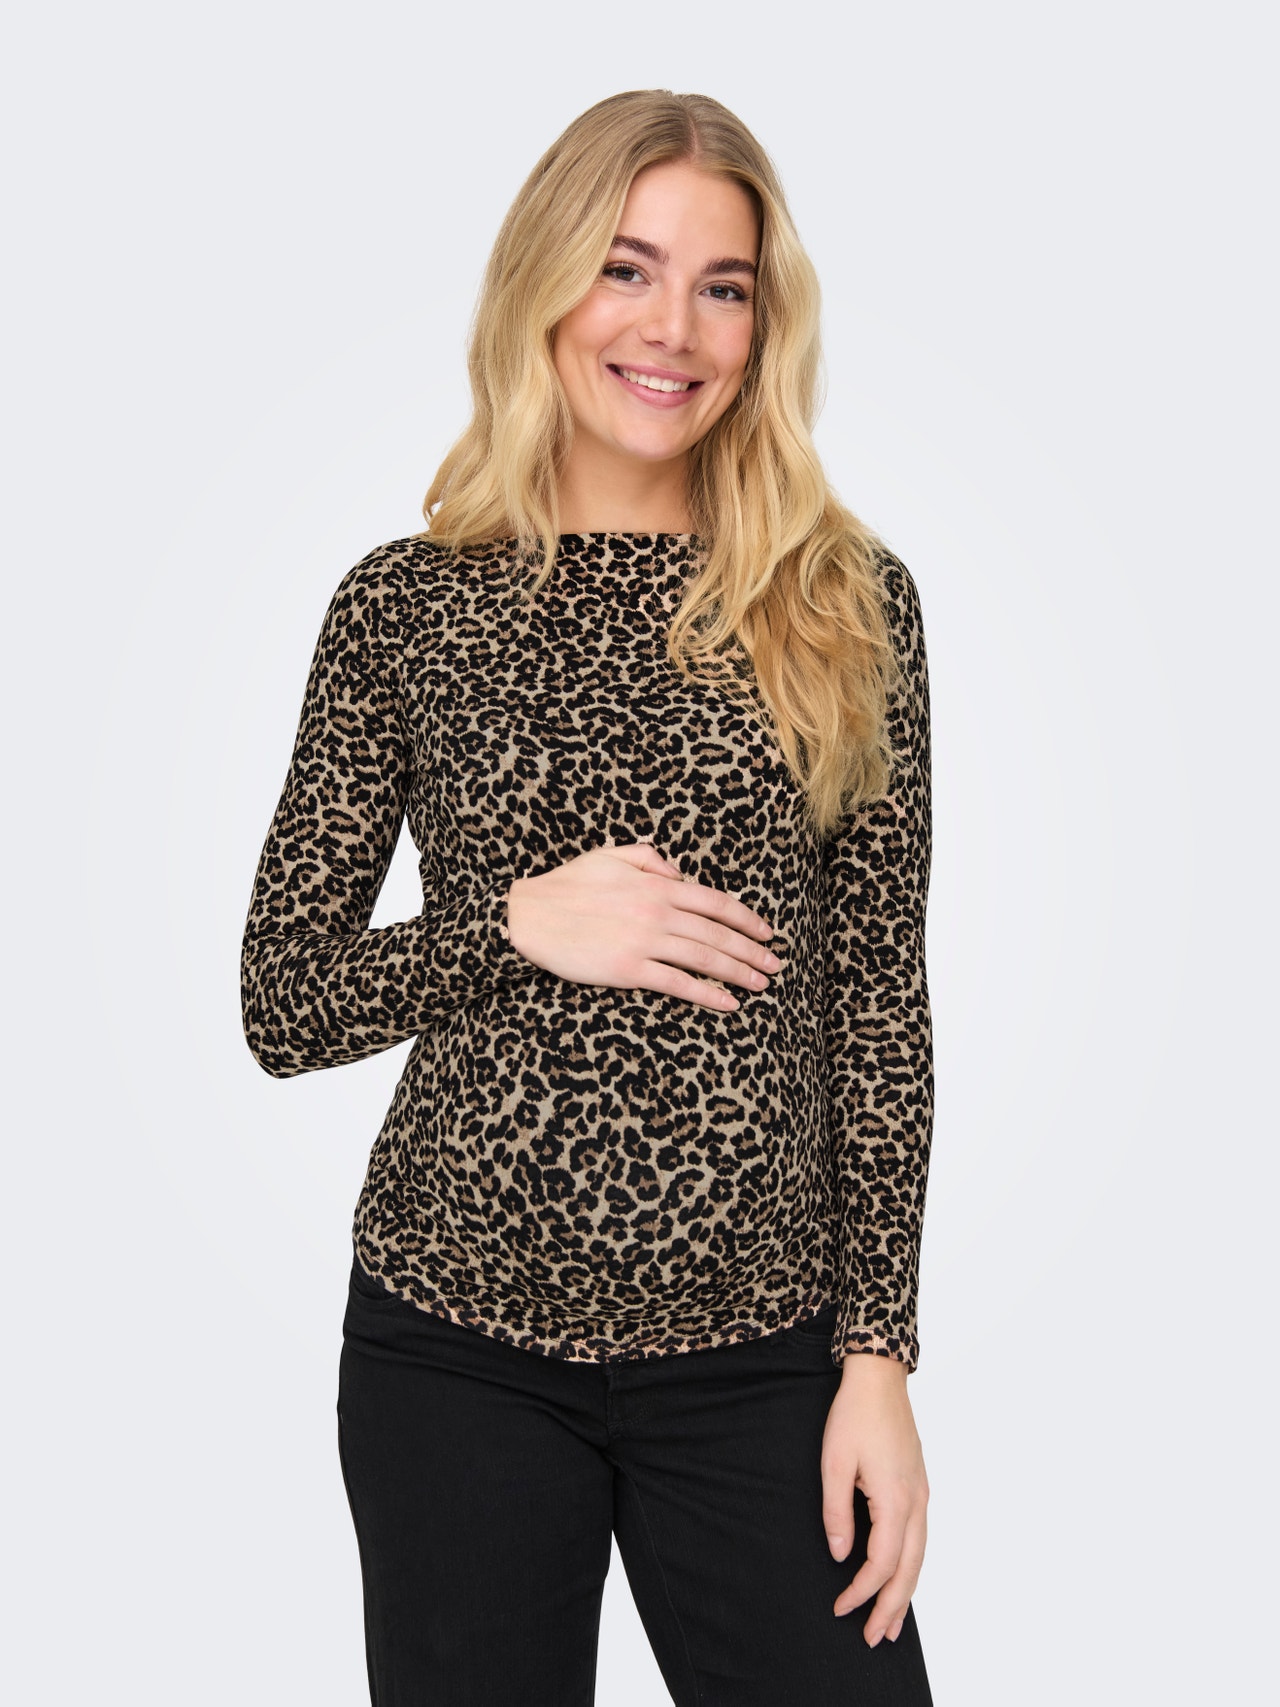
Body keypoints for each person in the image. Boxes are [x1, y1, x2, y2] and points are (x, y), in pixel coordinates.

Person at [240, 88, 936, 1707]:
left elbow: (881, 1008)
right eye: (627, 269)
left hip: (762, 1358)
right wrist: (513, 930)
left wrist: (879, 1363)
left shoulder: (844, 604)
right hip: (454, 1346)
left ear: (763, 325)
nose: (672, 328)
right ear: (545, 284)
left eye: (722, 286)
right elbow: (283, 999)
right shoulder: (406, 610)